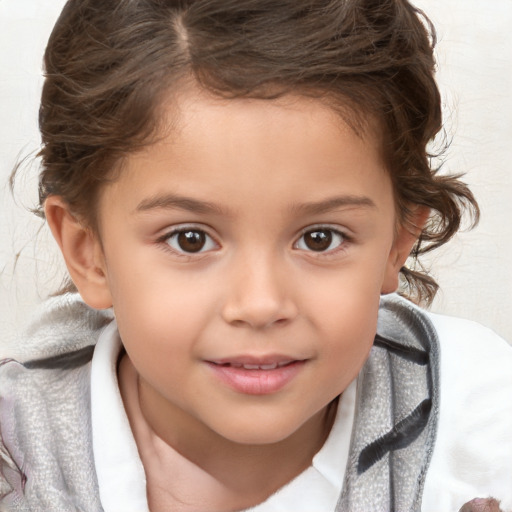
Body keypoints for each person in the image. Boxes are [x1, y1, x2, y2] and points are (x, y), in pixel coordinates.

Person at [1, 0, 511, 511]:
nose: (261, 304)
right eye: (190, 239)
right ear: (88, 252)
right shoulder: (15, 461)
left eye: (320, 238)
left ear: (397, 241)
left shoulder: (480, 428)